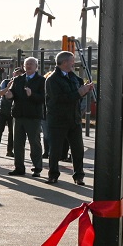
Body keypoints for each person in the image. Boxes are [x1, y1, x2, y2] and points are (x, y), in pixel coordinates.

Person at [45, 51, 94, 185]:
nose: (74, 63)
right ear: (65, 62)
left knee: (78, 149)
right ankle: (53, 175)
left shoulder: (74, 78)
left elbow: (76, 95)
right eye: (72, 61)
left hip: (74, 119)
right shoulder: (52, 80)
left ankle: (79, 176)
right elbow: (59, 99)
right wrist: (79, 92)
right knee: (55, 150)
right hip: (58, 120)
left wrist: (85, 90)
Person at [5, 58, 45, 177]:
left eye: (31, 64)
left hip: (33, 117)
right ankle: (19, 167)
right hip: (18, 115)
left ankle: (37, 168)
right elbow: (12, 93)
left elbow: (43, 98)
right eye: (27, 64)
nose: (28, 66)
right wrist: (9, 95)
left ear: (36, 67)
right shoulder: (18, 79)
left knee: (34, 143)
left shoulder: (41, 80)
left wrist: (31, 95)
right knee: (17, 143)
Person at [0, 68, 18, 158]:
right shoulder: (5, 81)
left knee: (12, 133)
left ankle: (10, 151)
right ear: (13, 73)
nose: (17, 75)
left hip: (13, 112)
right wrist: (8, 87)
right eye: (16, 73)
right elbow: (0, 93)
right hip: (3, 111)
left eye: (20, 73)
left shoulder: (21, 83)